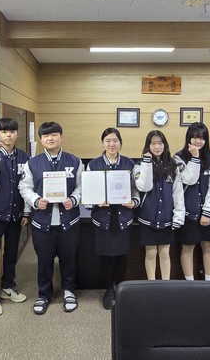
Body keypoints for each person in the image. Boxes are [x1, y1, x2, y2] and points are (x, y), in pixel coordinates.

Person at [19, 121, 83, 315]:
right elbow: (24, 187)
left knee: (68, 259)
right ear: (41, 140)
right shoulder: (33, 163)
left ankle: (69, 291)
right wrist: (35, 200)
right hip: (42, 221)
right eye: (46, 136)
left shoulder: (75, 161)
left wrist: (74, 199)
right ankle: (44, 294)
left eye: (54, 134)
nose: (50, 138)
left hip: (68, 220)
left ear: (61, 137)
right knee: (44, 260)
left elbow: (82, 185)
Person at [0, 117, 30, 317]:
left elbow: (27, 186)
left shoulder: (24, 157)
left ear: (17, 133)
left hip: (15, 214)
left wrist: (26, 211)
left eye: (12, 131)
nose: (8, 135)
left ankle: (8, 286)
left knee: (11, 253)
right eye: (4, 131)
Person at [86, 127, 139, 309]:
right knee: (106, 256)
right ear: (102, 143)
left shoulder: (129, 163)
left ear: (120, 143)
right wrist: (95, 201)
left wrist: (134, 201)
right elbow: (88, 191)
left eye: (115, 140)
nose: (111, 144)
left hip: (123, 217)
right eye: (108, 140)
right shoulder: (93, 165)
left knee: (122, 256)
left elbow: (135, 189)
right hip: (103, 218)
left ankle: (121, 288)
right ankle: (109, 289)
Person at [174, 122, 210, 281]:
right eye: (194, 137)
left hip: (209, 212)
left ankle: (209, 284)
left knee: (208, 245)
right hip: (188, 212)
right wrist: (194, 158)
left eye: (201, 138)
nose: (198, 141)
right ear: (188, 138)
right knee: (188, 246)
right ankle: (190, 284)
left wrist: (207, 212)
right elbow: (189, 179)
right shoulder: (178, 158)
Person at [134, 130, 184, 281]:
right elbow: (144, 186)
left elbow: (178, 193)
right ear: (148, 146)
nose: (157, 147)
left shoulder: (173, 166)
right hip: (147, 217)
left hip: (166, 217)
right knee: (150, 253)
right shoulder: (140, 165)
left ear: (165, 145)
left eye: (160, 143)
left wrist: (178, 215)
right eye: (153, 143)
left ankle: (165, 285)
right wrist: (146, 163)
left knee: (165, 252)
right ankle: (151, 284)